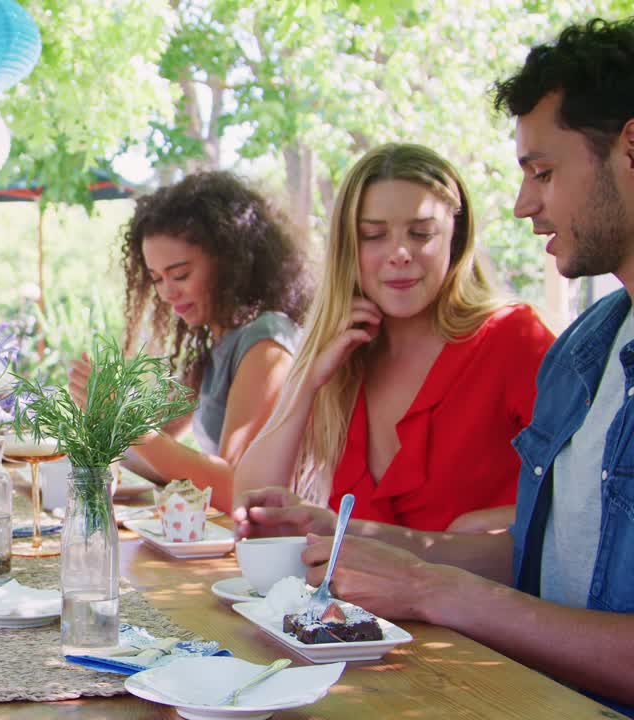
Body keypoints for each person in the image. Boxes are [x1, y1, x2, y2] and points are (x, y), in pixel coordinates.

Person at [235, 18, 634, 715]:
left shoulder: (519, 339)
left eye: (543, 172)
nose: (524, 204)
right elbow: (543, 554)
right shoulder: (589, 346)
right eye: (373, 236)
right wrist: (348, 532)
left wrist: (430, 585)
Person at [233, 144, 555, 532]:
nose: (400, 253)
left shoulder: (511, 337)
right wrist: (307, 384)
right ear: (348, 247)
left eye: (421, 234)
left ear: (455, 238)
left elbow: (588, 499)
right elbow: (251, 506)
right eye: (373, 235)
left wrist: (475, 530)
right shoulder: (345, 361)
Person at [68, 172, 311, 502]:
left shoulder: (266, 345)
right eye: (156, 279)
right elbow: (159, 452)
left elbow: (236, 488)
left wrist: (125, 419)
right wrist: (104, 415)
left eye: (180, 275)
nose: (167, 292)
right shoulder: (216, 344)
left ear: (229, 263)